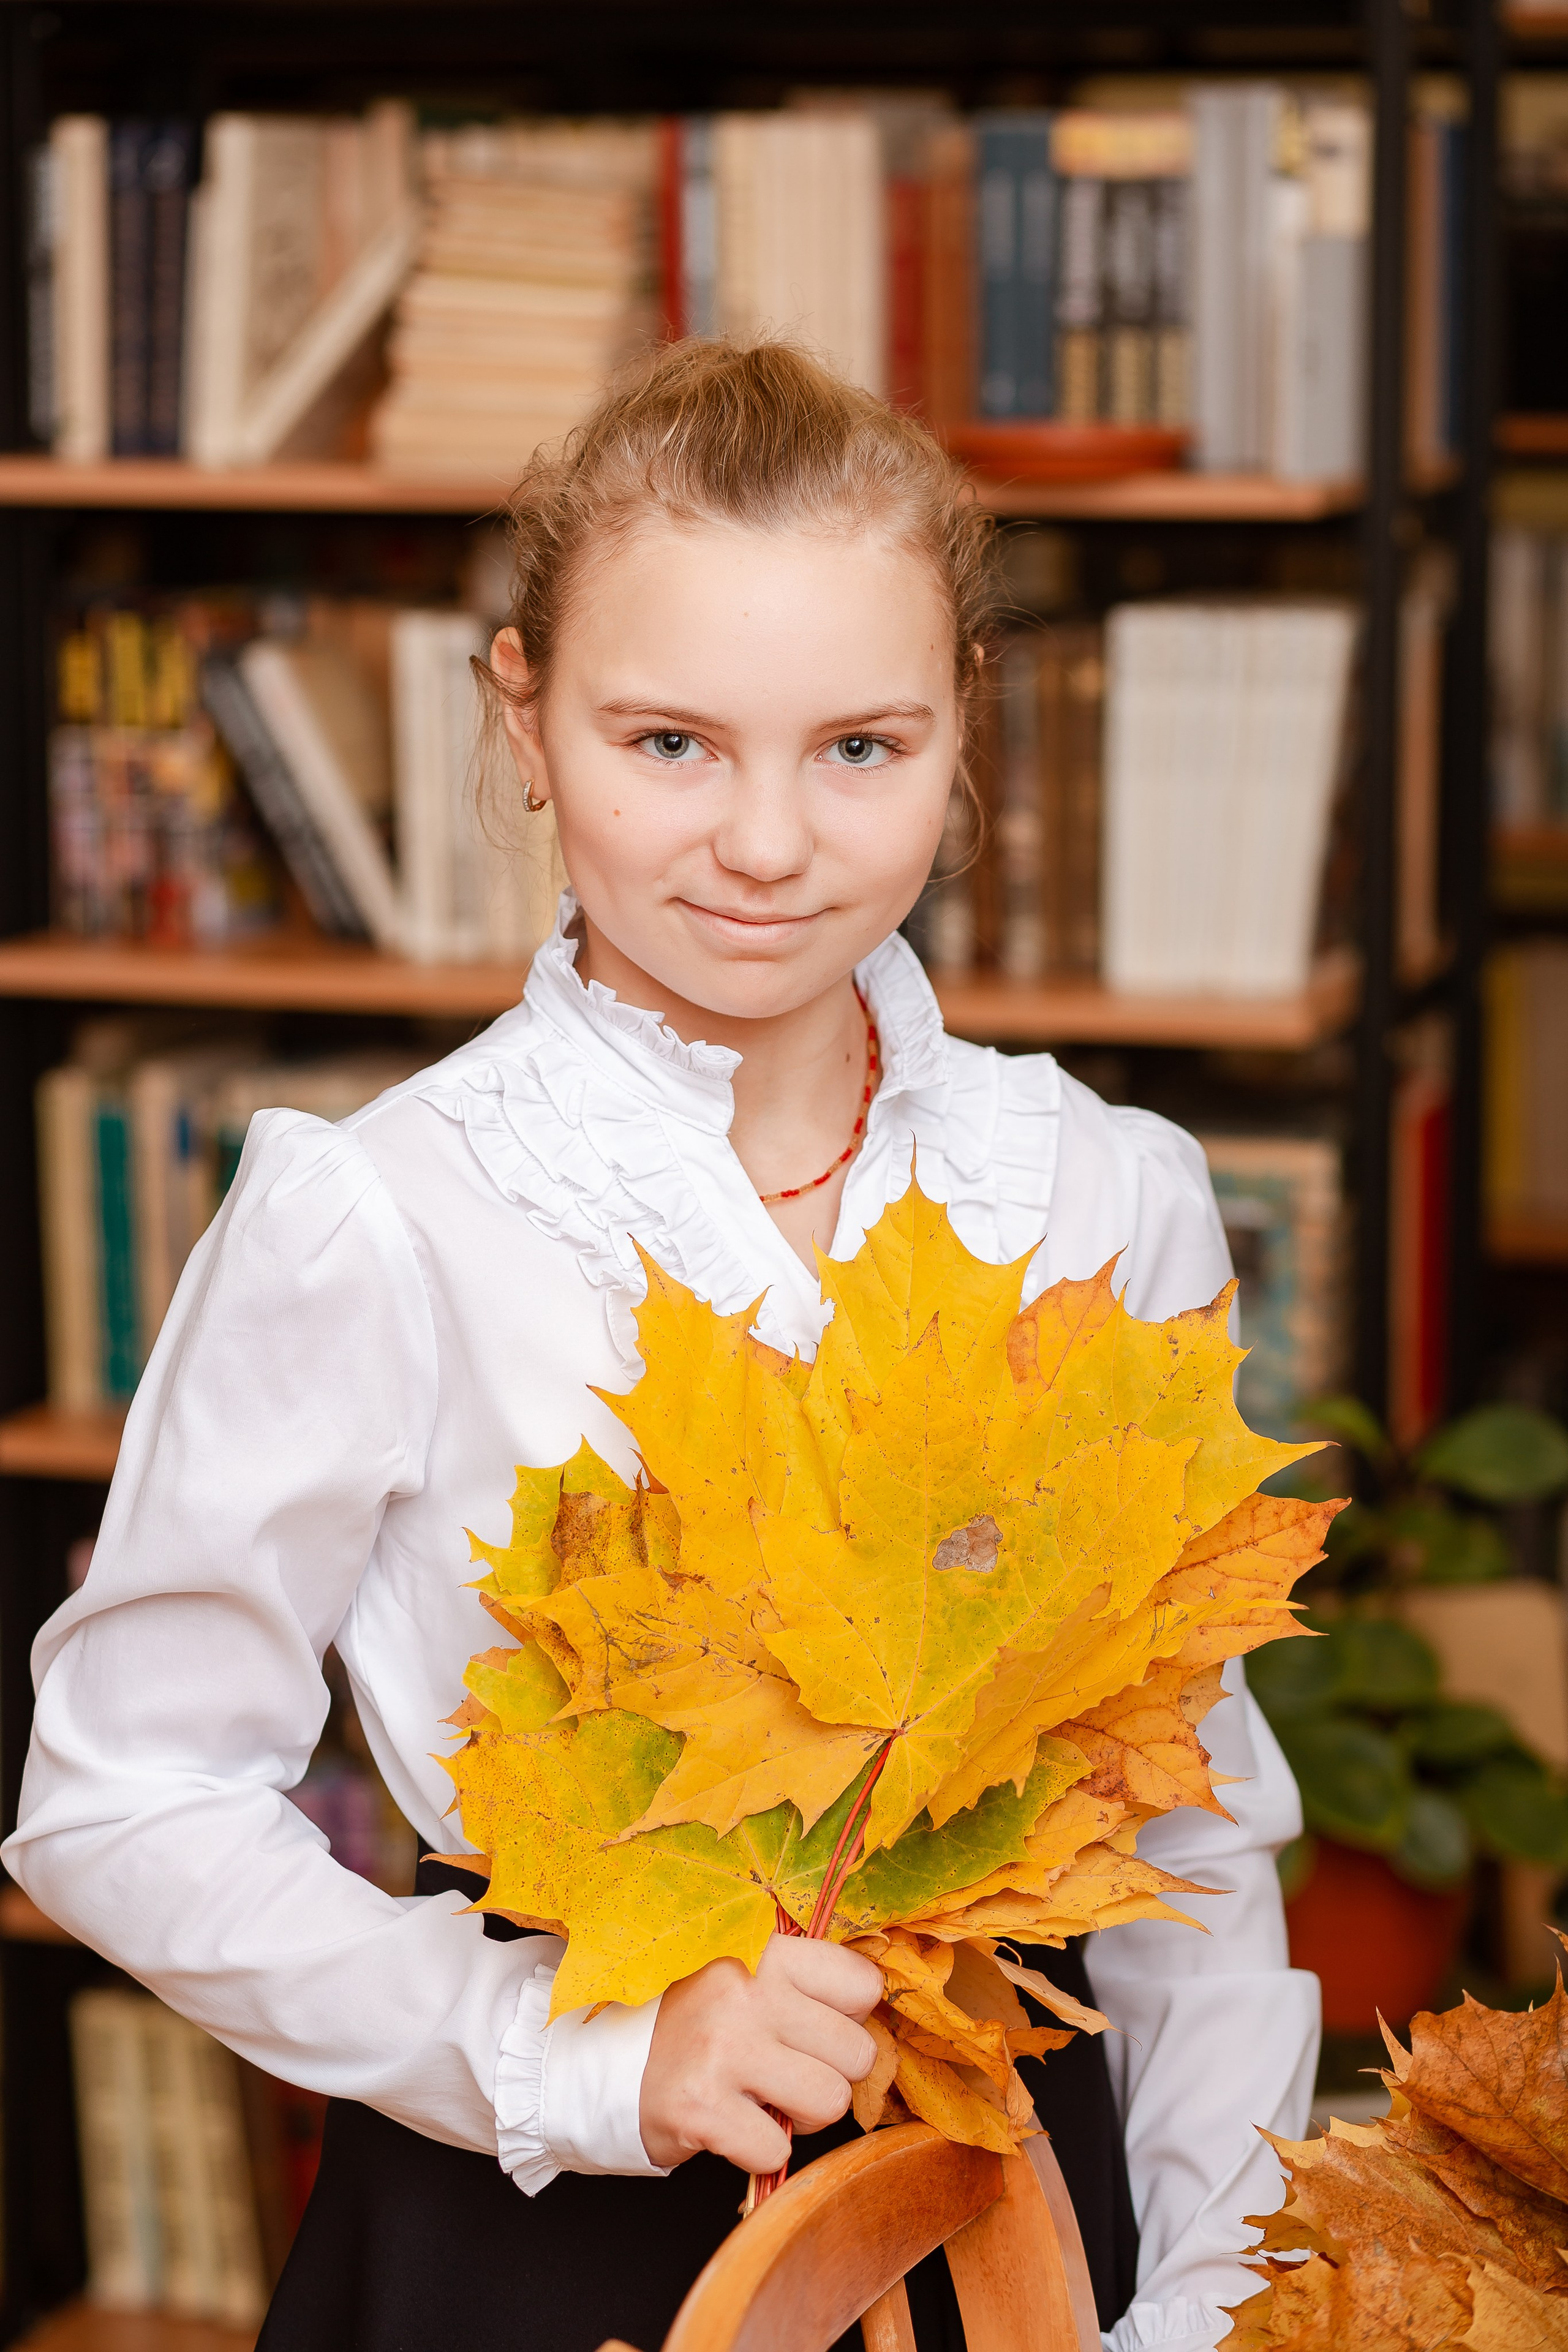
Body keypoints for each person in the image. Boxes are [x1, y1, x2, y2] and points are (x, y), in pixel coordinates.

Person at [4, 340, 1319, 2352]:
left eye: (860, 747)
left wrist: (1214, 2301)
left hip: (1025, 2214)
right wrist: (578, 2053)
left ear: (967, 722)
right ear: (522, 717)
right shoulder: (379, 1216)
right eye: (672, 743)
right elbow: (124, 1802)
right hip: (535, 2231)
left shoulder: (1102, 1191)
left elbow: (1192, 1829)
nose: (768, 843)